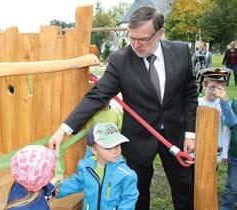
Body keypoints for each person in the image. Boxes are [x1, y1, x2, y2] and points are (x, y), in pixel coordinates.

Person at [49, 6, 198, 210]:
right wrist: (64, 129)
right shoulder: (120, 60)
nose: (136, 45)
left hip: (177, 136)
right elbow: (96, 96)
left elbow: (190, 93)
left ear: (161, 32)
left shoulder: (181, 51)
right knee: (136, 194)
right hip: (137, 140)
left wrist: (190, 132)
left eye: (143, 39)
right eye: (132, 38)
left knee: (184, 191)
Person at [56, 122, 139, 210]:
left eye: (118, 145)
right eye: (109, 147)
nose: (115, 150)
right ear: (94, 150)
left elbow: (129, 200)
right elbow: (77, 182)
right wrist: (57, 190)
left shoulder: (127, 175)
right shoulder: (86, 167)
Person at [197, 68, 237, 161]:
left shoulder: (224, 104)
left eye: (219, 88)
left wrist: (225, 102)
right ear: (204, 85)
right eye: (212, 87)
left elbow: (231, 122)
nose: (215, 92)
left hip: (215, 147)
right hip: (197, 146)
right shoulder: (197, 103)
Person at [4, 145, 57, 210]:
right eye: (51, 170)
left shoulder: (23, 182)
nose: (53, 171)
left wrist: (51, 188)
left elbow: (41, 187)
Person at [220, 97, 237, 210]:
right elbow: (228, 131)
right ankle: (227, 207)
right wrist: (224, 153)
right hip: (235, 157)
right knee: (232, 187)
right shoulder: (234, 105)